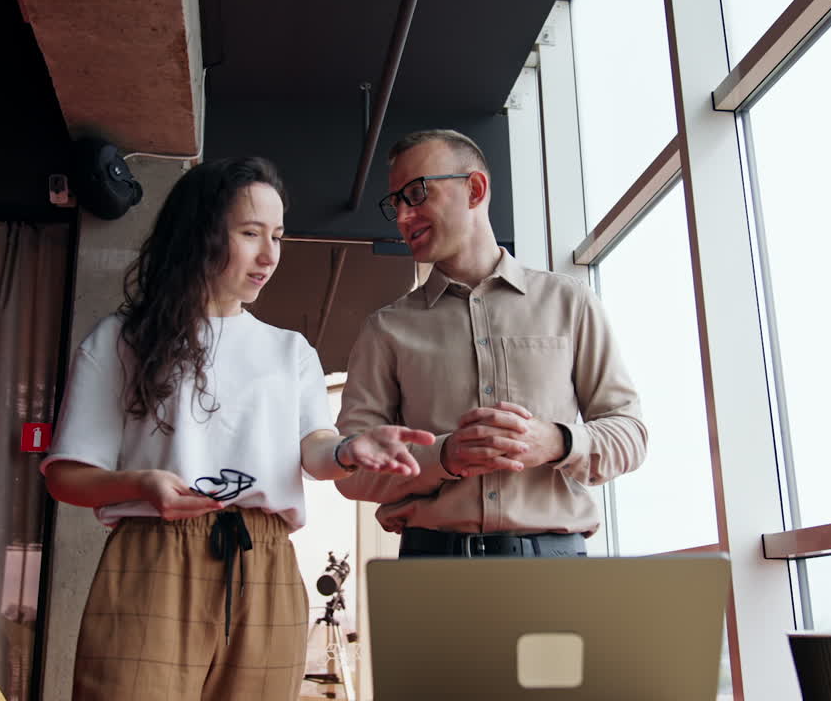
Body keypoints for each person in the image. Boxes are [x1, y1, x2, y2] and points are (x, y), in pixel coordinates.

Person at [40, 157, 434, 701]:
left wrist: (350, 449)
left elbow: (315, 452)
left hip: (266, 562)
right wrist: (139, 485)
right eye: (250, 234)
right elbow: (66, 475)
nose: (269, 255)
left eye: (277, 235)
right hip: (153, 554)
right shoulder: (121, 341)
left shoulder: (289, 350)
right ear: (200, 234)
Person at [334, 129, 647, 558]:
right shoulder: (385, 330)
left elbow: (630, 434)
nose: (404, 216)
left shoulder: (570, 303)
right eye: (396, 203)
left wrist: (556, 441)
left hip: (555, 566)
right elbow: (349, 470)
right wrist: (444, 457)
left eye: (417, 193)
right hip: (431, 568)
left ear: (475, 189)